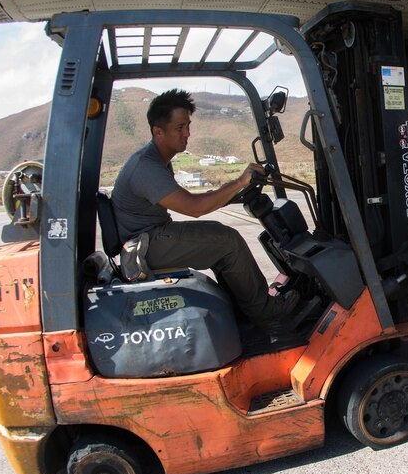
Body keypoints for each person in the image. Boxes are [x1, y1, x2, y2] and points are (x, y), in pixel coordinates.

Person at [110, 88, 299, 325]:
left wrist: (231, 191)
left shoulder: (156, 161)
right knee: (227, 241)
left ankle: (243, 308)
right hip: (145, 247)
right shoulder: (146, 167)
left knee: (218, 239)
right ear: (158, 131)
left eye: (188, 125)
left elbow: (186, 199)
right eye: (180, 128)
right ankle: (266, 311)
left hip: (149, 239)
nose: (187, 133)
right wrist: (239, 181)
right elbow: (194, 207)